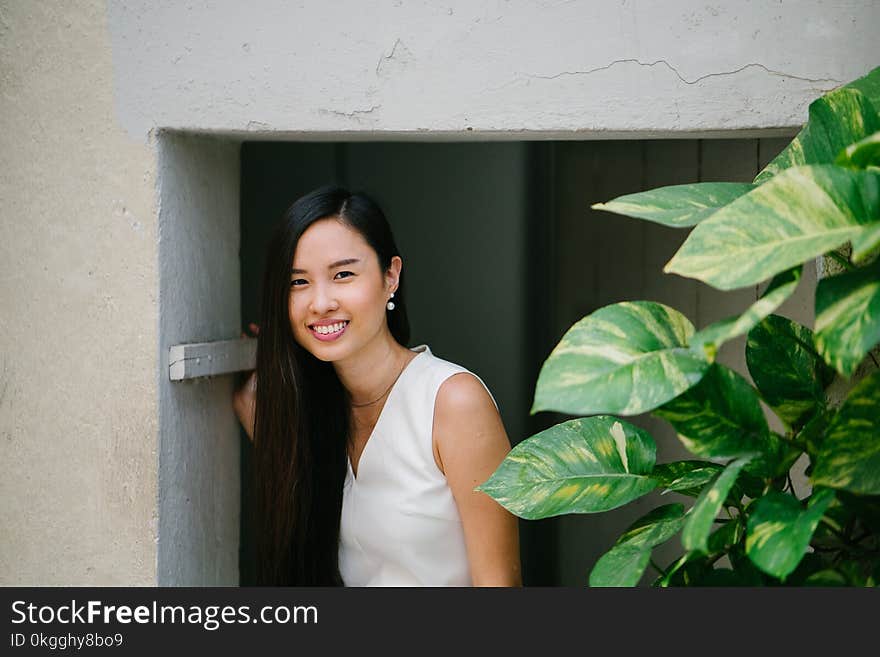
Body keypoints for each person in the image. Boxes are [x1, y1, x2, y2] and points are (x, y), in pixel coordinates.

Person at [232, 185, 522, 587]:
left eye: (343, 274)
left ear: (391, 276)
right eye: (298, 282)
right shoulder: (307, 411)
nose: (320, 303)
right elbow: (253, 401)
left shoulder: (452, 401)